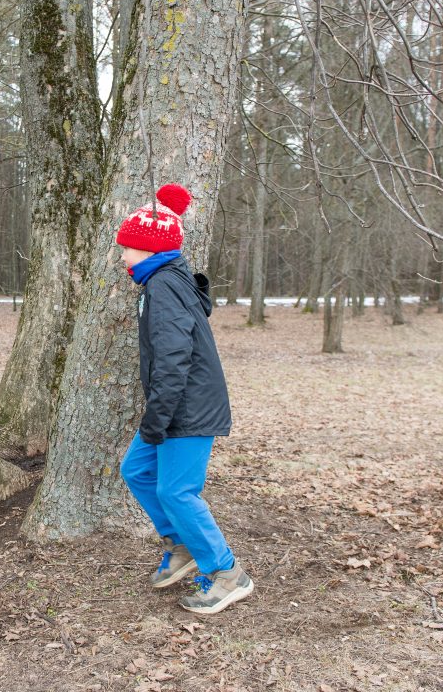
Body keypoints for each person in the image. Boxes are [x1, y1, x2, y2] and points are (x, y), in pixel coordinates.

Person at [116, 184, 254, 615]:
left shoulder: (164, 287)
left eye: (128, 248)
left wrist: (157, 420)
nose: (122, 256)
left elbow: (174, 358)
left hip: (187, 409)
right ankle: (181, 545)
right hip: (175, 406)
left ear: (149, 249)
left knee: (178, 492)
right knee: (135, 469)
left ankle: (228, 573)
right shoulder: (163, 281)